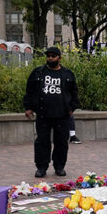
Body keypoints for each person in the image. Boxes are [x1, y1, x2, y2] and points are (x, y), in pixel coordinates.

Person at [24, 47, 80, 178]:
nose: (50, 58)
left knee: (61, 142)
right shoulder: (38, 73)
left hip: (62, 115)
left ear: (59, 58)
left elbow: (74, 93)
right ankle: (41, 167)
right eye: (48, 56)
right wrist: (28, 108)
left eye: (53, 56)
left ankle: (59, 166)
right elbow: (29, 91)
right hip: (43, 114)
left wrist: (72, 108)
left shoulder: (67, 74)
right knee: (42, 141)